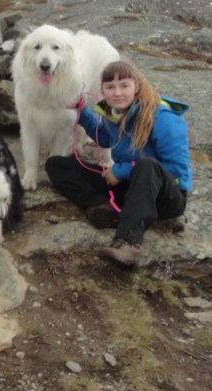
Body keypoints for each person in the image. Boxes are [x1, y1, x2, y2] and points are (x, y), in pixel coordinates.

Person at [44, 58, 192, 268]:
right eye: (110, 87)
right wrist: (83, 112)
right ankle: (103, 207)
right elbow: (104, 138)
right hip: (131, 188)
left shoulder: (162, 118)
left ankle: (128, 243)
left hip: (166, 196)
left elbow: (176, 171)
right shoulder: (115, 113)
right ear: (102, 90)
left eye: (124, 85)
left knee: (147, 165)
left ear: (137, 87)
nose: (117, 92)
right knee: (56, 164)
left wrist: (120, 171)